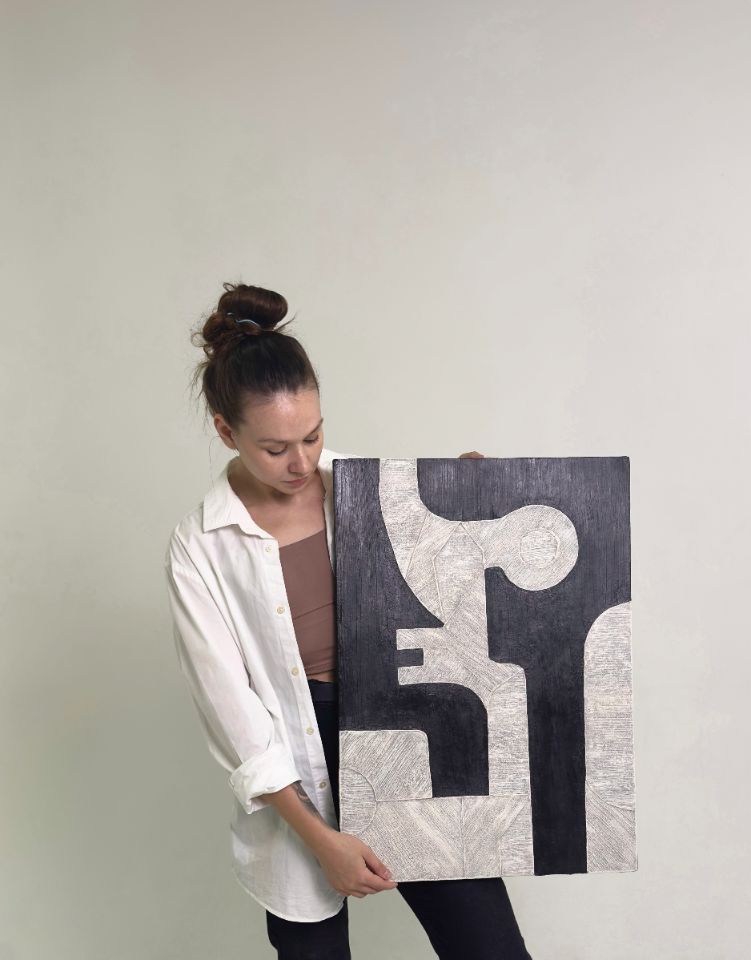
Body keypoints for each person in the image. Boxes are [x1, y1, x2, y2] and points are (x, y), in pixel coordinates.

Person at [164, 282, 533, 959]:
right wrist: (320, 839)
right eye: (275, 447)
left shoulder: (377, 492)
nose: (300, 462)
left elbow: (456, 608)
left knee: (489, 949)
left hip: (406, 737)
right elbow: (233, 716)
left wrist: (466, 507)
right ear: (225, 431)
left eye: (312, 435)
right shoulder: (200, 546)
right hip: (293, 770)